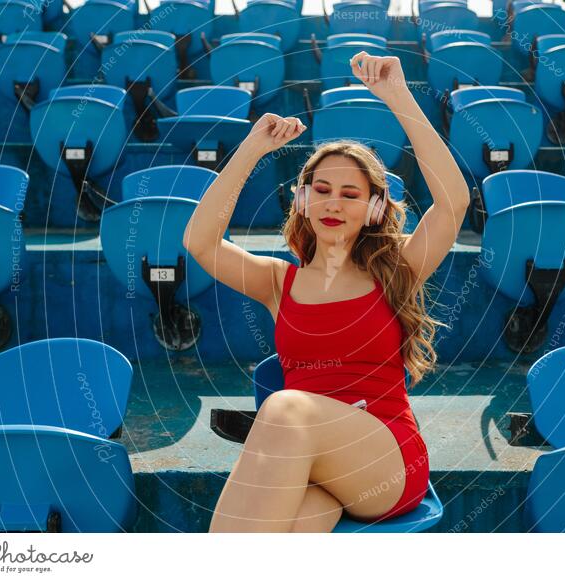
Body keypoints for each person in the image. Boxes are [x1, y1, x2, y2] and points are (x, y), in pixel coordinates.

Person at [183, 52, 469, 532]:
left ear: (374, 209)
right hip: (316, 467)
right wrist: (251, 148)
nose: (333, 201)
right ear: (302, 200)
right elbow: (199, 242)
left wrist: (396, 95)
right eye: (321, 189)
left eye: (351, 194)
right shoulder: (279, 281)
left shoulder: (397, 269)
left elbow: (454, 200)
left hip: (384, 463)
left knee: (284, 405)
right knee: (289, 532)